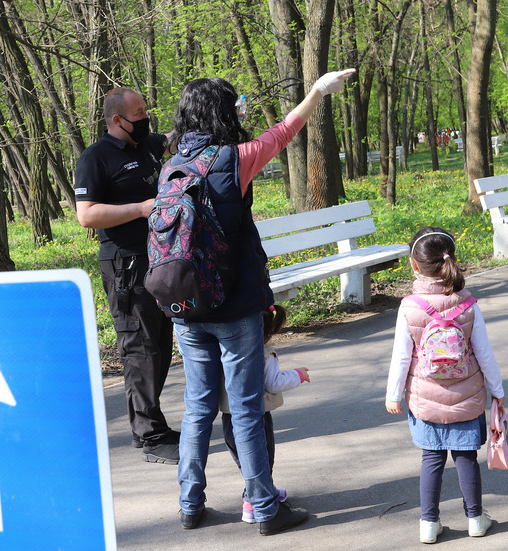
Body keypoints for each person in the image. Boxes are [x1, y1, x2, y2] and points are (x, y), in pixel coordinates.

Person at [167, 68, 355, 535]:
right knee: (247, 407)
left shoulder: (171, 164)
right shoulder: (236, 158)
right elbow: (285, 130)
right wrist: (317, 90)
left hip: (185, 306)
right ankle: (266, 508)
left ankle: (190, 503)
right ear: (223, 113)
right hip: (234, 306)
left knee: (197, 408)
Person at [75, 87, 179, 465]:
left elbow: (170, 140)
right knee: (140, 348)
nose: (145, 118)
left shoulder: (146, 145)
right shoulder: (96, 158)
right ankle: (150, 435)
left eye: (146, 111)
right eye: (138, 113)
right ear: (117, 120)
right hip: (125, 264)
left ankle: (148, 423)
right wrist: (140, 208)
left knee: (160, 345)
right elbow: (86, 215)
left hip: (159, 259)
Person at [384, 227, 507, 544]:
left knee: (431, 460)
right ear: (451, 261)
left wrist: (394, 394)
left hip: (424, 401)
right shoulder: (468, 305)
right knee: (466, 458)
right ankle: (476, 518)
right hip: (468, 397)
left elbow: (401, 356)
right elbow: (484, 352)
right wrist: (498, 391)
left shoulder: (409, 307)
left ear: (414, 265)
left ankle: (428, 524)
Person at [218, 304, 310, 524]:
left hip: (228, 416)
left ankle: (265, 489)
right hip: (255, 414)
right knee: (261, 456)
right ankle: (254, 501)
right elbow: (273, 383)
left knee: (243, 458)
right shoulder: (264, 353)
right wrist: (298, 375)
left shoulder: (223, 349)